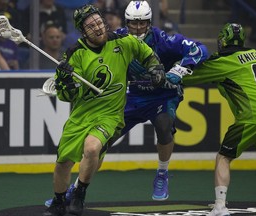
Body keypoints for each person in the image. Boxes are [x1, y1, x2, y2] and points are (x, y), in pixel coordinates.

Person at [44, 1, 208, 206]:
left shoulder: (163, 38)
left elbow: (200, 49)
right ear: (126, 22)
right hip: (132, 97)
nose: (138, 28)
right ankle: (76, 188)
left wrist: (178, 71)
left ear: (150, 21)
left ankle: (162, 173)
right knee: (101, 145)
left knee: (165, 127)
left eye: (143, 23)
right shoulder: (118, 37)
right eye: (133, 23)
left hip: (162, 95)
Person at [43, 4, 166, 216]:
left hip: (109, 114)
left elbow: (146, 53)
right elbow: (68, 96)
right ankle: (59, 201)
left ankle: (80, 193)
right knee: (63, 162)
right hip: (81, 115)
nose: (98, 28)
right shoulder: (75, 54)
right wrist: (66, 80)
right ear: (83, 31)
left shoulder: (124, 42)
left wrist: (156, 67)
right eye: (91, 26)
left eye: (99, 22)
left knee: (92, 149)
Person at [181, 23, 256, 216]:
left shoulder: (224, 61)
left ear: (222, 41)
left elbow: (188, 78)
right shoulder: (254, 55)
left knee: (224, 157)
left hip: (253, 115)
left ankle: (220, 207)